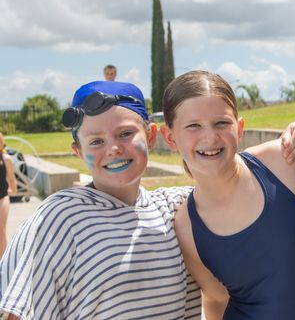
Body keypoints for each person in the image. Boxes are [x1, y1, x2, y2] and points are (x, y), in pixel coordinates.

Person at [0, 81, 200, 319]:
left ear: (151, 136)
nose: (113, 148)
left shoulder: (174, 208)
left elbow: (240, 174)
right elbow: (15, 313)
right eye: (96, 141)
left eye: (125, 134)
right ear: (78, 151)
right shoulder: (57, 219)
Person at [160, 70, 295, 319]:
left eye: (221, 123)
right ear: (170, 137)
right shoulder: (186, 227)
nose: (210, 137)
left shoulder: (282, 159)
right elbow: (216, 299)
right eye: (193, 126)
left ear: (239, 127)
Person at [0, 132, 16, 255]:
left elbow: (11, 178)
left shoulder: (6, 159)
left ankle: (2, 261)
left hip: (2, 198)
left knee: (1, 229)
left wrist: (13, 190)